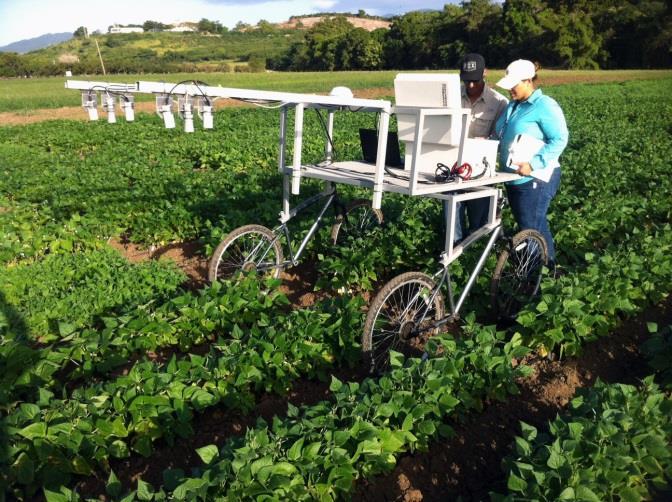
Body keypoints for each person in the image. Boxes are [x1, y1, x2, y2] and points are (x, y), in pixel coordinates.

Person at [494, 59, 569, 268]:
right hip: (514, 178)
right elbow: (501, 132)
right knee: (534, 224)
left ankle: (532, 276)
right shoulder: (513, 105)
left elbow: (560, 139)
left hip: (536, 178)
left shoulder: (544, 106)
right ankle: (550, 270)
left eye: (513, 84)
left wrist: (534, 164)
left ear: (528, 81)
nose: (510, 89)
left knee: (530, 229)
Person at [452, 53, 508, 243]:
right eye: (466, 81)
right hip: (453, 166)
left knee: (478, 223)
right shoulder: (451, 96)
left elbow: (500, 138)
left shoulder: (499, 102)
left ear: (485, 73)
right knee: (452, 211)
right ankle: (454, 249)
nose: (471, 86)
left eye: (475, 81)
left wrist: (487, 142)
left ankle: (474, 254)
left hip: (481, 170)